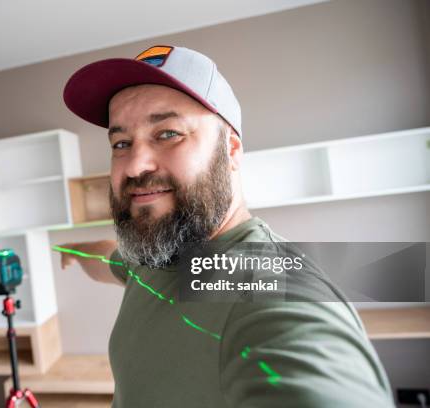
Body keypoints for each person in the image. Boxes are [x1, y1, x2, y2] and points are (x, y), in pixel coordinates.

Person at [59, 45, 394, 407]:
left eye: (169, 133)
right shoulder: (156, 255)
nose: (136, 165)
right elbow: (109, 258)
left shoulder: (274, 292)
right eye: (121, 142)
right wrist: (71, 251)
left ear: (231, 151)